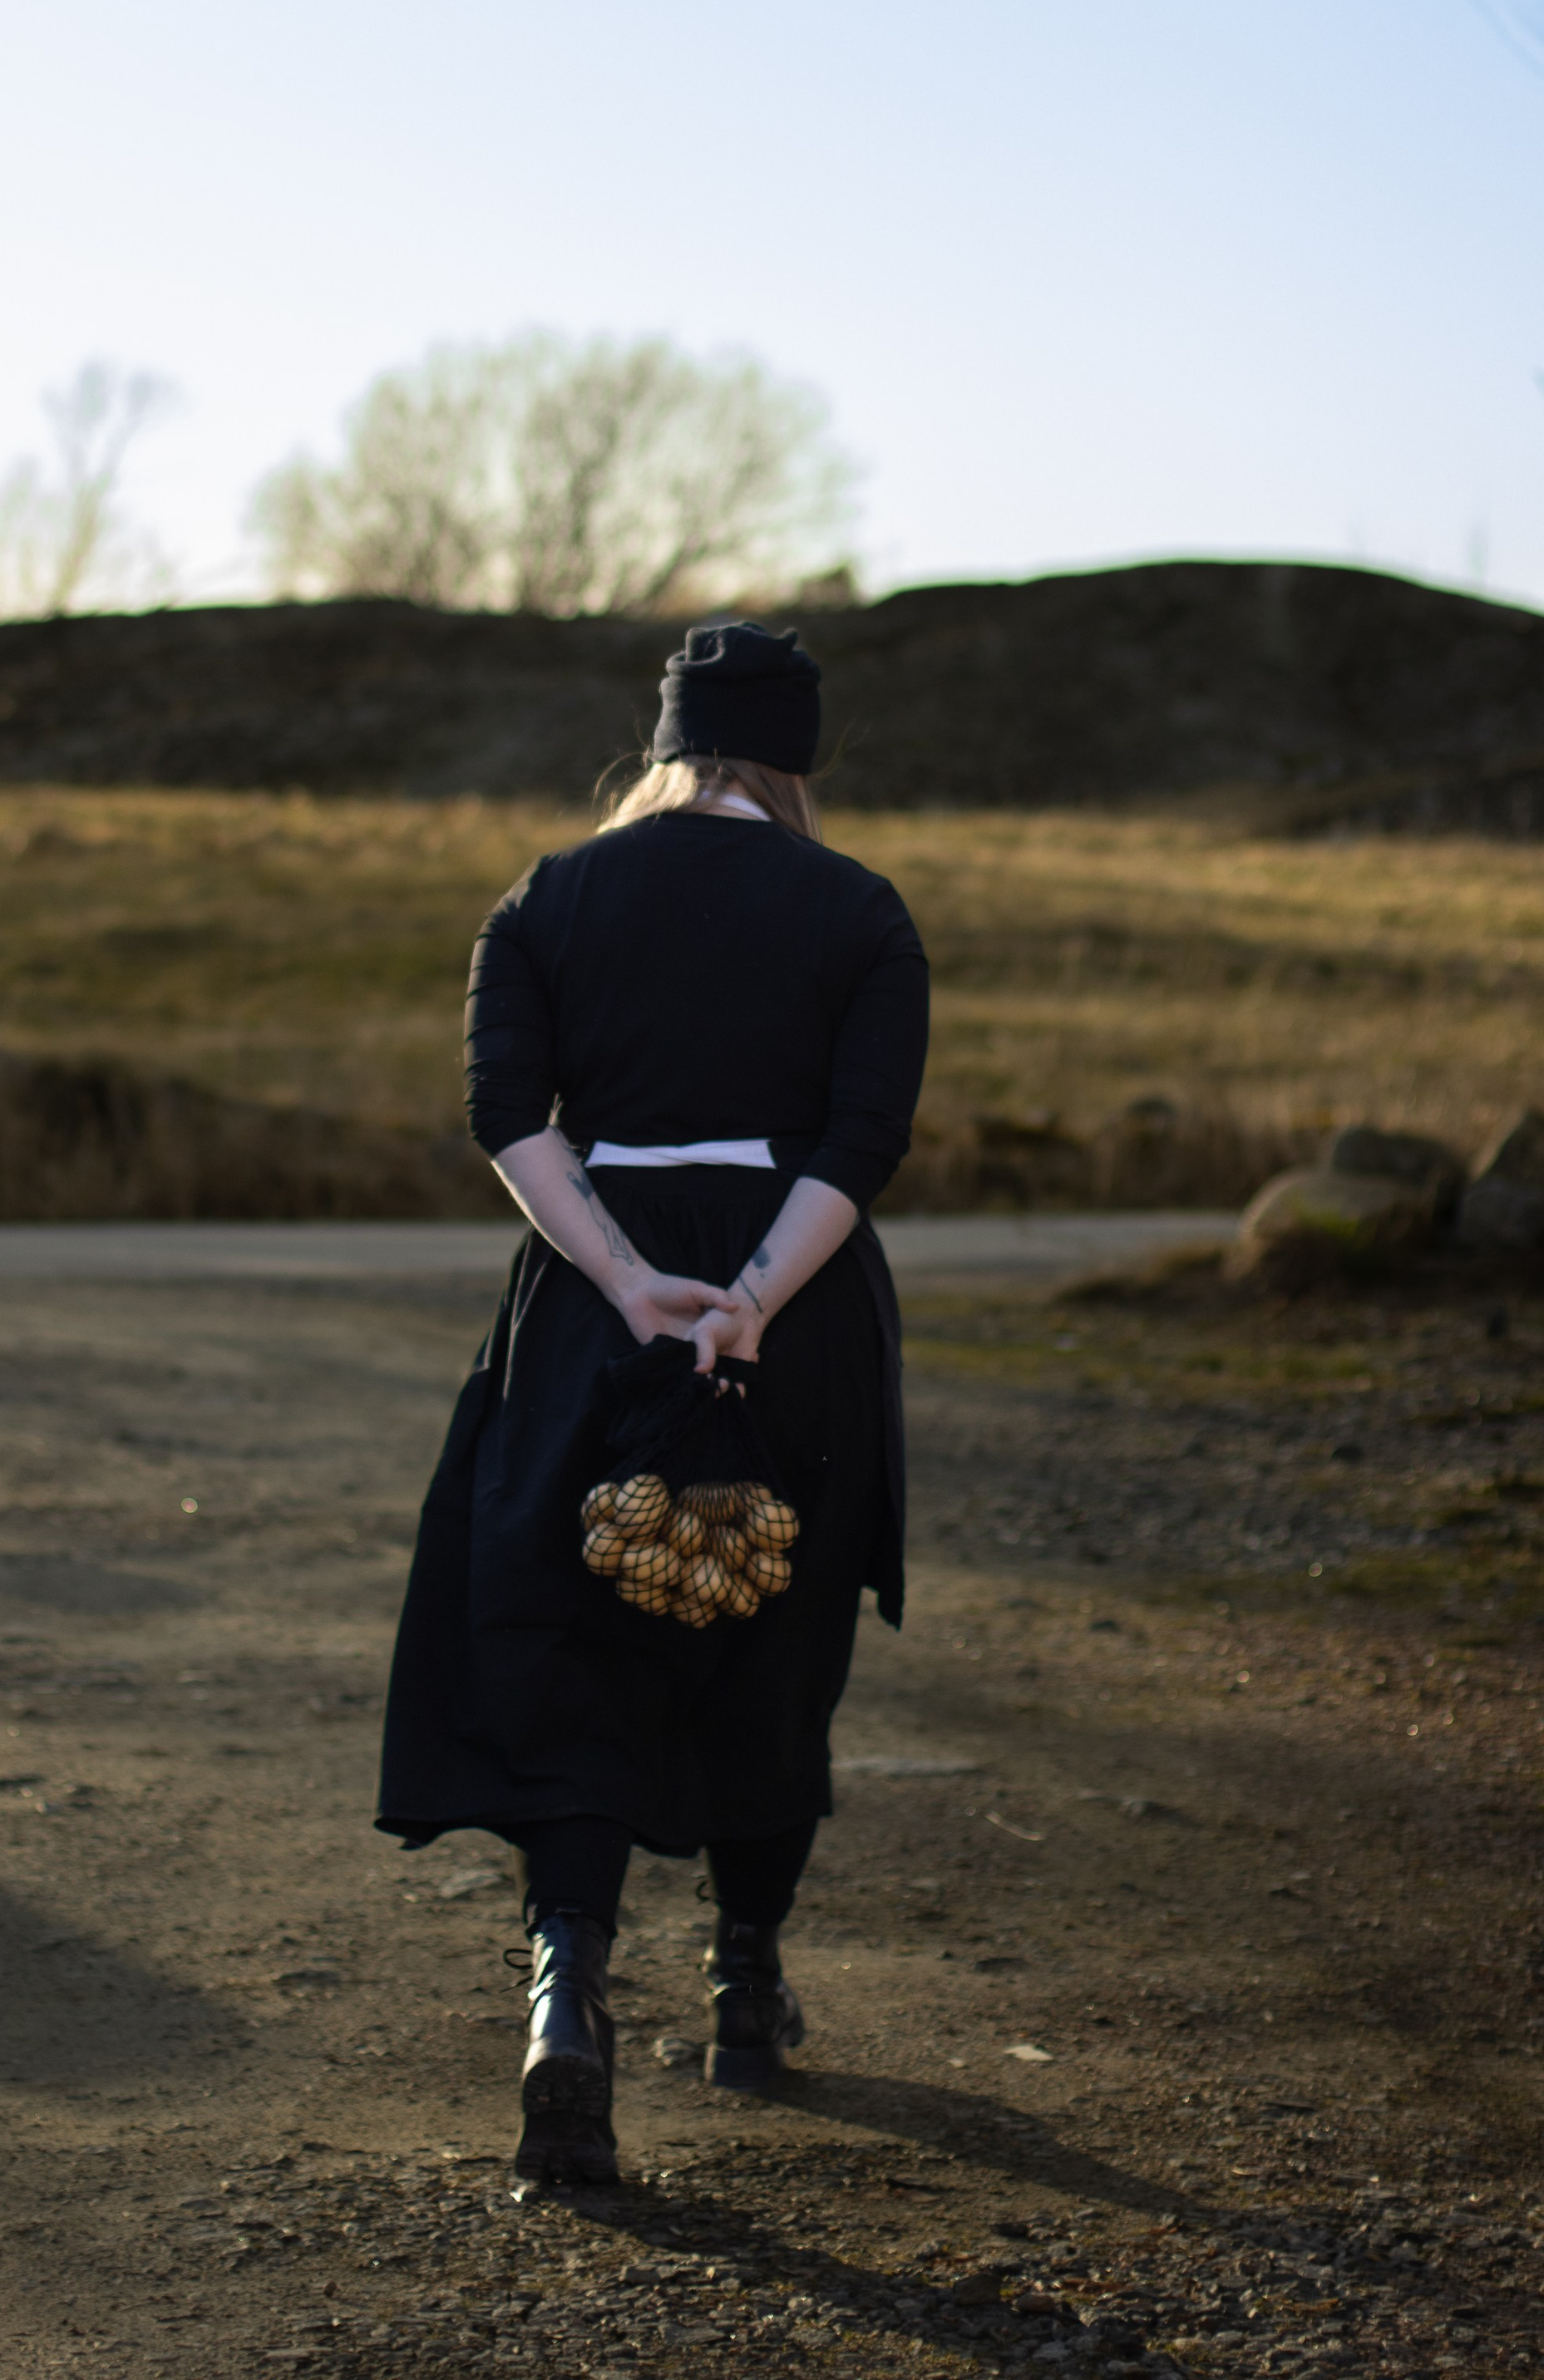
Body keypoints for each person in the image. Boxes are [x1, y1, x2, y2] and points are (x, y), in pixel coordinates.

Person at [375, 617, 930, 2189]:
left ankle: (568, 1990)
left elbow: (507, 1117)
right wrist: (752, 1297)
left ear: (673, 744)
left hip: (596, 1298)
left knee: (581, 1623)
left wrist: (631, 1286)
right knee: (776, 1616)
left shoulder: (550, 895)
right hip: (795, 1305)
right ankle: (745, 1984)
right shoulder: (861, 912)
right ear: (793, 761)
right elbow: (861, 1139)